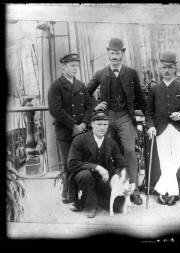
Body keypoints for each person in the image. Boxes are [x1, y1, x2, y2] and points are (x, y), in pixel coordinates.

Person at [86, 38, 146, 205]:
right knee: (106, 152)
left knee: (129, 151)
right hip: (107, 118)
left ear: (122, 54)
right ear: (108, 54)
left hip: (126, 117)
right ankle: (107, 189)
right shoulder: (100, 74)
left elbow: (141, 97)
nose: (114, 56)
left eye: (117, 53)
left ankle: (134, 190)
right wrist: (96, 105)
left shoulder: (131, 73)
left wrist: (149, 116)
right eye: (112, 53)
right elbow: (85, 93)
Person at [145, 51, 180, 206]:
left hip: (179, 129)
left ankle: (160, 189)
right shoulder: (154, 89)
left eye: (170, 67)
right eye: (164, 67)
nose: (166, 71)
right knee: (165, 161)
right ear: (160, 69)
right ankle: (171, 193)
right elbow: (148, 113)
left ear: (175, 69)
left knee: (177, 159)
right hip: (160, 130)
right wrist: (151, 126)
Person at [48, 53, 96, 204]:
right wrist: (73, 125)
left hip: (81, 130)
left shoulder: (81, 85)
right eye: (71, 65)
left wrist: (84, 124)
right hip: (65, 131)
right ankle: (68, 194)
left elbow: (90, 106)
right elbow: (55, 110)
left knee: (83, 161)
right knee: (68, 164)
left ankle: (82, 193)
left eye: (76, 65)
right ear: (63, 66)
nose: (75, 68)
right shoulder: (56, 86)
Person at [67, 111, 127, 218]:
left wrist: (117, 176)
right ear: (91, 124)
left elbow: (121, 164)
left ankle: (91, 198)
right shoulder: (80, 140)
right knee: (85, 175)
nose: (102, 128)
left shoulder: (111, 143)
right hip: (85, 177)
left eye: (105, 124)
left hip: (104, 180)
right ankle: (90, 205)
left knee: (119, 207)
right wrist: (96, 167)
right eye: (99, 124)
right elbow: (72, 164)